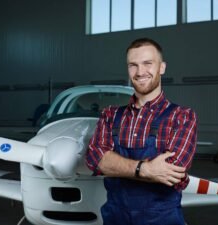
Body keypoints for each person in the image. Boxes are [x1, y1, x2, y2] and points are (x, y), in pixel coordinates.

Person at [86, 37, 197, 225]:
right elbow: (95, 159)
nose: (140, 72)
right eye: (133, 65)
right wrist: (144, 169)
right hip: (115, 219)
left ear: (162, 67)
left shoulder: (182, 116)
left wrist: (116, 165)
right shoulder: (110, 115)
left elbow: (172, 173)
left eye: (147, 63)